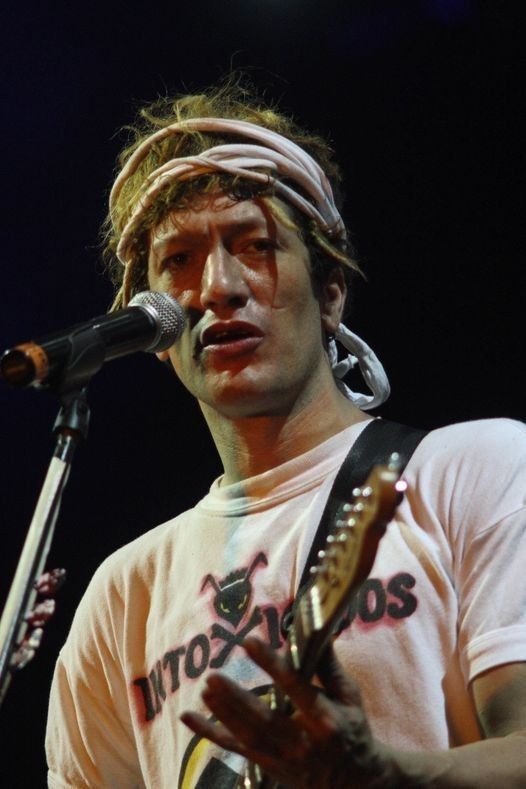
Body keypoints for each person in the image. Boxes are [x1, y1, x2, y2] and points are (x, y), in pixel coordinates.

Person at [46, 81, 526, 788]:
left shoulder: (473, 470)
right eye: (178, 259)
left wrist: (387, 776)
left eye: (255, 244)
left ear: (332, 291)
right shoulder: (125, 594)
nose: (218, 286)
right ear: (153, 329)